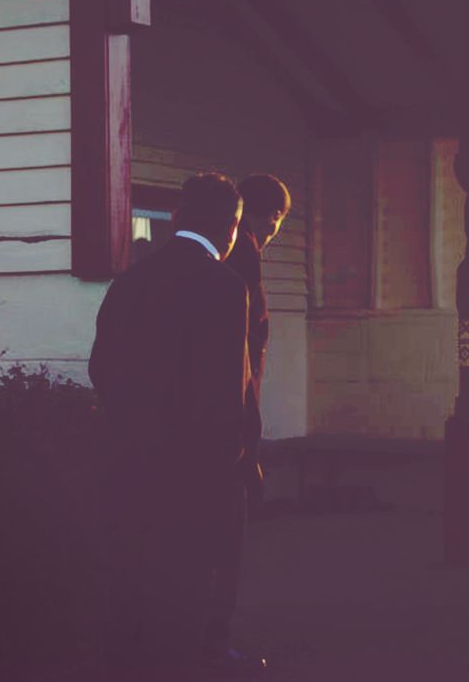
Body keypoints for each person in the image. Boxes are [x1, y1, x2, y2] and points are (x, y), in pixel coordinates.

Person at [88, 172, 265, 678]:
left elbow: (101, 366)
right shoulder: (226, 287)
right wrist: (234, 460)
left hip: (130, 457)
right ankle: (201, 659)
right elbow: (228, 390)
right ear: (232, 228)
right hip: (199, 466)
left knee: (134, 572)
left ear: (177, 218)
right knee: (201, 576)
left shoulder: (131, 280)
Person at [202, 173, 290, 671]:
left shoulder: (219, 259)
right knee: (224, 541)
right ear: (268, 216)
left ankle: (199, 638)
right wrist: (250, 446)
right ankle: (214, 646)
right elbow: (241, 359)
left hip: (205, 423)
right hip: (230, 424)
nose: (276, 230)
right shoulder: (243, 258)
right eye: (277, 219)